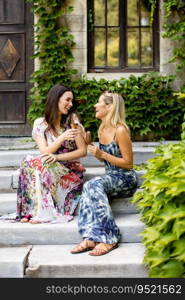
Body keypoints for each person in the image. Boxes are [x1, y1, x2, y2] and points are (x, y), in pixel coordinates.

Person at [71, 91, 138, 255]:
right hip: (111, 177)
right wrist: (91, 146)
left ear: (109, 107)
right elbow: (105, 159)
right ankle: (90, 236)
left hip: (125, 178)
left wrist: (103, 154)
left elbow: (128, 163)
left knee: (93, 183)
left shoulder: (120, 130)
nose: (95, 105)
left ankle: (109, 236)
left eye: (98, 102)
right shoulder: (102, 129)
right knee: (89, 185)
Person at [16, 84, 87, 224]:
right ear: (56, 99)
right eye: (67, 100)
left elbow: (82, 151)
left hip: (69, 173)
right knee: (29, 161)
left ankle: (39, 213)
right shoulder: (40, 123)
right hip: (47, 168)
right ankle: (34, 211)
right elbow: (45, 152)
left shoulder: (72, 120)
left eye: (72, 101)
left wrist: (58, 157)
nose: (70, 104)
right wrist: (62, 137)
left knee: (39, 164)